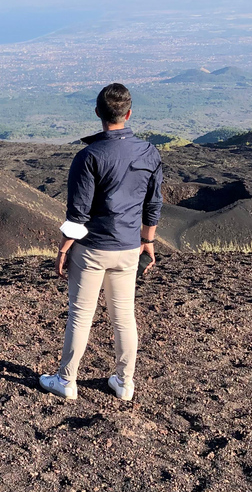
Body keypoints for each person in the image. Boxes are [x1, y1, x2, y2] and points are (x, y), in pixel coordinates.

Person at [39, 83, 163, 401]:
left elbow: (77, 214)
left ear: (98, 113)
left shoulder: (89, 156)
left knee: (81, 316)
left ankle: (66, 381)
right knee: (123, 316)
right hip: (128, 249)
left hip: (92, 249)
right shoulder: (149, 153)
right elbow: (153, 203)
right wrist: (147, 241)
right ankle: (124, 382)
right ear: (129, 113)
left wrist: (63, 249)